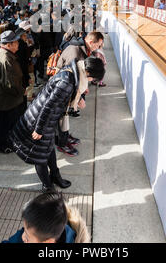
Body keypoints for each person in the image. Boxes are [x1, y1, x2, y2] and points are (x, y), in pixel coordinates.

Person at [10, 57, 105, 191]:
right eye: (92, 79)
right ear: (88, 72)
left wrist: (78, 99)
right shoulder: (67, 82)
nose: (91, 82)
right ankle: (47, 186)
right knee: (40, 155)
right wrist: (39, 129)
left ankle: (55, 176)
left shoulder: (74, 72)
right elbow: (48, 107)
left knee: (49, 149)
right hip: (39, 120)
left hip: (47, 120)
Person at [2, 191, 90, 243]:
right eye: (24, 230)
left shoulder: (38, 230)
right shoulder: (38, 228)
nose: (22, 237)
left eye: (28, 237)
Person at [0, 30, 25, 153]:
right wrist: (22, 92)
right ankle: (1, 145)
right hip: (6, 101)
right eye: (16, 42)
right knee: (4, 124)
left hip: (7, 100)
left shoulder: (6, 55)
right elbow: (10, 84)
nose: (18, 44)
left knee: (5, 123)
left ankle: (3, 143)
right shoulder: (6, 58)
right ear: (8, 44)